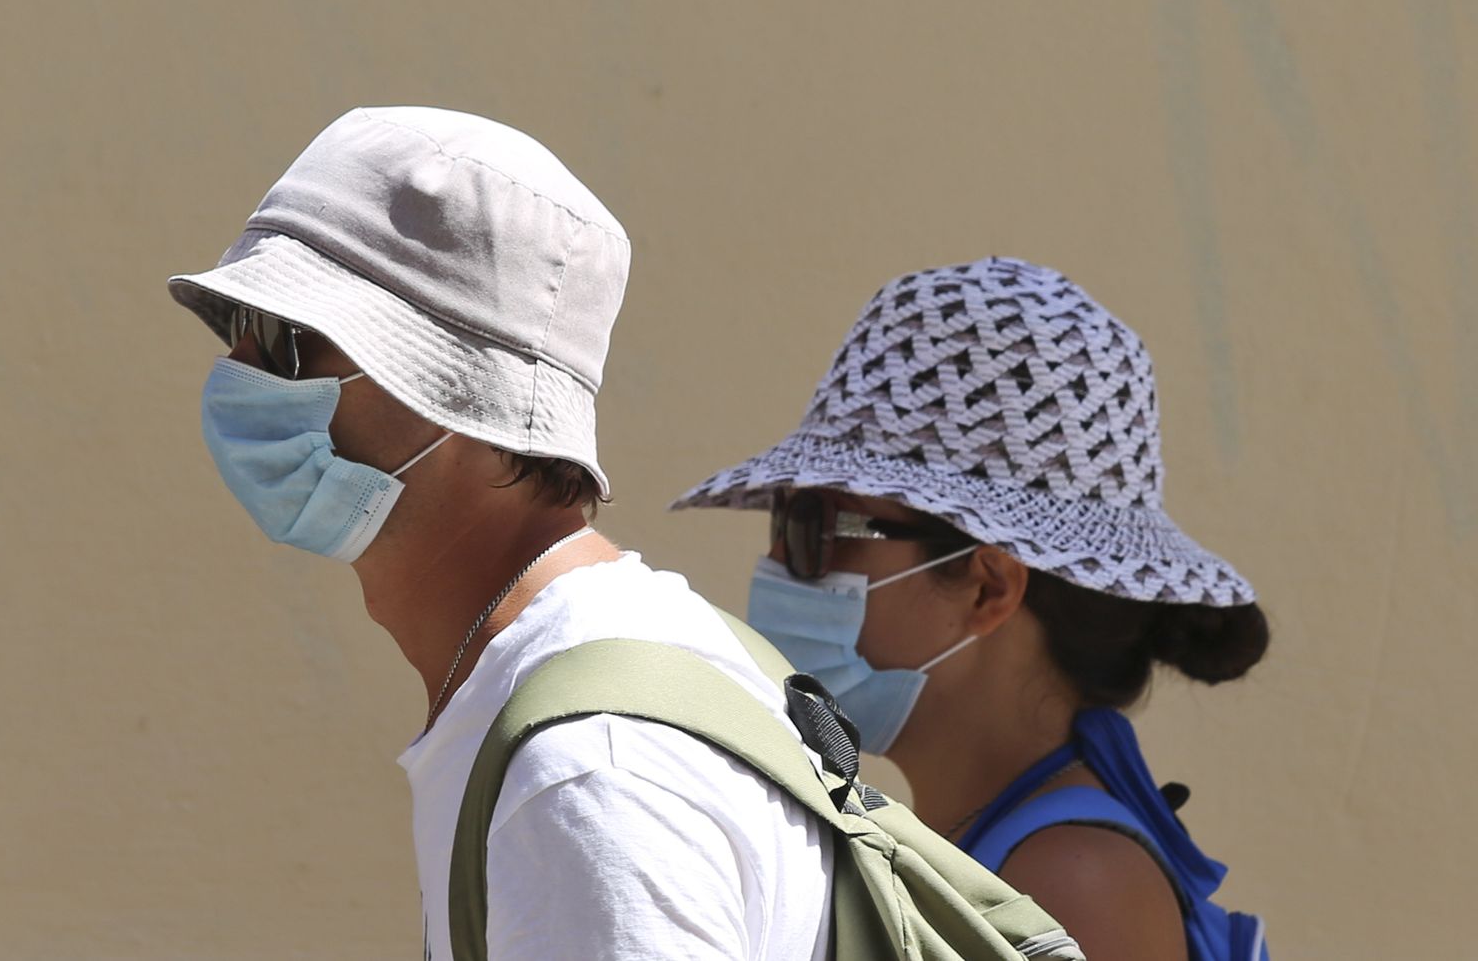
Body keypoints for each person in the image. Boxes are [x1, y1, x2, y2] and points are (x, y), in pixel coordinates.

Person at [168, 107, 831, 960]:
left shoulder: (588, 771)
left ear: (467, 398)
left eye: (290, 342)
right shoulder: (569, 697)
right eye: (240, 329)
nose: (242, 377)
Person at [674, 256, 1270, 961]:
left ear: (989, 588)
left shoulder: (1071, 887)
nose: (775, 566)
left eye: (815, 528)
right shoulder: (984, 846)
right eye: (782, 523)